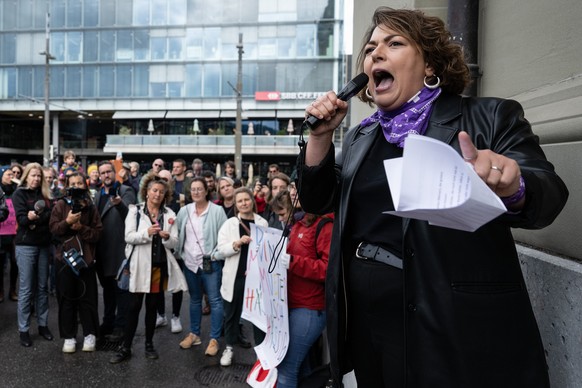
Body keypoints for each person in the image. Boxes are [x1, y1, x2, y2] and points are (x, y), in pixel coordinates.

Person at [298, 7, 569, 388]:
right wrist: (320, 136)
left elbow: (550, 194)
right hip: (367, 323)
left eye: (394, 43)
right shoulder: (362, 136)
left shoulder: (488, 117)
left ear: (429, 66)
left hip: (448, 324)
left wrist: (514, 185)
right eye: (371, 47)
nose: (375, 54)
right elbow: (316, 200)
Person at [109, 173, 188, 364]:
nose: (157, 194)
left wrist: (167, 237)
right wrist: (147, 233)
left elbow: (175, 243)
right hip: (138, 266)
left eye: (161, 192)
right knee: (133, 307)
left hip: (157, 268)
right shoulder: (135, 211)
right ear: (146, 192)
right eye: (154, 190)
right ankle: (125, 347)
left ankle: (149, 344)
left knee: (152, 307)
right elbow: (128, 236)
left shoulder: (169, 214)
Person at [276, 212, 333, 388]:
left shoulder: (325, 225)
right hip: (292, 303)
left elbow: (329, 269)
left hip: (309, 308)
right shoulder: (300, 221)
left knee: (286, 369)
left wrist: (293, 262)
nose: (294, 192)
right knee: (302, 369)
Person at [49, 172, 102, 353]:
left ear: (85, 185)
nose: (77, 186)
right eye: (73, 183)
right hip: (64, 259)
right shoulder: (61, 205)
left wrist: (81, 228)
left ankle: (90, 334)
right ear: (67, 186)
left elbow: (97, 233)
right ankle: (69, 336)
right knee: (66, 298)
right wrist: (67, 222)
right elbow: (54, 229)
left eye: (80, 183)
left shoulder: (91, 207)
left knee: (88, 299)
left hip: (86, 259)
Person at [215, 187, 268, 367]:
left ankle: (261, 354)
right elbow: (220, 250)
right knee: (231, 314)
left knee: (258, 317)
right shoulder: (229, 224)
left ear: (252, 201)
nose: (244, 203)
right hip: (235, 277)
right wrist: (236, 244)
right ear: (236, 205)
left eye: (246, 200)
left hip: (256, 279)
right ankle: (229, 348)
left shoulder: (262, 222)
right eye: (240, 201)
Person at [175, 177, 227, 357]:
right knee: (195, 300)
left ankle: (214, 339)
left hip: (210, 262)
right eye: (193, 189)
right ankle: (194, 334)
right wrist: (180, 254)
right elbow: (179, 234)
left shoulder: (217, 211)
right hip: (190, 263)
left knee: (214, 301)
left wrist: (216, 255)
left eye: (200, 189)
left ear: (206, 191)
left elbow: (224, 237)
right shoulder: (184, 211)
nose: (196, 192)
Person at [12, 162, 55, 347]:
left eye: (39, 176)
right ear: (26, 176)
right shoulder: (19, 194)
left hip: (44, 245)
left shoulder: (46, 195)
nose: (36, 178)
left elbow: (51, 216)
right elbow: (22, 220)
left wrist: (36, 219)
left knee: (42, 288)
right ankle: (24, 330)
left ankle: (43, 325)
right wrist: (34, 220)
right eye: (33, 175)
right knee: (26, 289)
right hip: (25, 245)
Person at [94, 161, 137, 343]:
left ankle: (121, 327)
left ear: (114, 173)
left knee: (121, 290)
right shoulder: (97, 194)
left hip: (119, 249)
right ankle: (108, 322)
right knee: (108, 290)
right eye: (102, 173)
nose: (106, 175)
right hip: (101, 250)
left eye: (108, 171)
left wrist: (119, 204)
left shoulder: (125, 191)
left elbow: (130, 215)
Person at [154, 169, 184, 334]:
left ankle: (176, 316)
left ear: (172, 180)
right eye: (159, 179)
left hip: (175, 247)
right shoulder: (154, 198)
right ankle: (161, 314)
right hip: (157, 249)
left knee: (176, 285)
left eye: (166, 179)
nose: (163, 181)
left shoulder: (180, 199)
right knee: (158, 284)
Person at [0, 166, 18, 302]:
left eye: (12, 174)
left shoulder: (17, 191)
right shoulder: (1, 193)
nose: (11, 176)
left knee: (15, 263)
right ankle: (0, 291)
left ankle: (12, 290)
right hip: (1, 233)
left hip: (15, 233)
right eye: (8, 174)